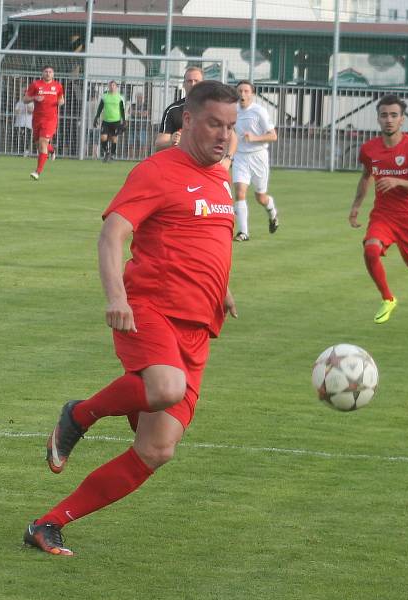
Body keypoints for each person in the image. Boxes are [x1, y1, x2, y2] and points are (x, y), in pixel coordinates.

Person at [23, 80, 239, 556]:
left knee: (157, 449)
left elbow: (209, 244)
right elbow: (112, 234)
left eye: (230, 126)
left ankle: (48, 524)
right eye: (213, 124)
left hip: (198, 326)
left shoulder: (222, 178)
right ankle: (78, 415)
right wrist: (115, 296)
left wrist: (222, 291)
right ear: (187, 120)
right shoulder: (158, 170)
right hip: (151, 308)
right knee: (165, 387)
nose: (223, 135)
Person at [349, 94, 408, 337]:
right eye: (384, 115)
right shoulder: (369, 149)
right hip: (383, 215)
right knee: (370, 249)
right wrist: (356, 206)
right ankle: (388, 298)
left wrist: (397, 181)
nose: (389, 120)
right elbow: (366, 176)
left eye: (394, 115)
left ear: (402, 119)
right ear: (378, 119)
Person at [231, 80, 278, 241]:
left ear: (252, 94)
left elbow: (273, 135)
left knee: (261, 197)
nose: (242, 94)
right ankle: (243, 232)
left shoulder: (259, 112)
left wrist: (255, 138)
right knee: (239, 192)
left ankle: (272, 213)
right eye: (240, 91)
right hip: (241, 157)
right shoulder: (233, 111)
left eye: (246, 91)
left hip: (258, 156)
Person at [23, 65, 64, 180]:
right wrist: (35, 98)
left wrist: (58, 102)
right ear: (42, 73)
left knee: (42, 143)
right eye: (46, 71)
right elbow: (25, 99)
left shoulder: (58, 86)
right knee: (39, 145)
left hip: (50, 119)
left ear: (53, 74)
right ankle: (51, 150)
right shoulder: (35, 84)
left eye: (50, 72)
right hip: (37, 119)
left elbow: (61, 100)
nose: (48, 73)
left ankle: (37, 172)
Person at [154, 66, 203, 152]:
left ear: (203, 84)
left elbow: (230, 135)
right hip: (180, 159)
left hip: (204, 161)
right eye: (189, 81)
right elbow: (159, 144)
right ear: (183, 84)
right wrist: (171, 141)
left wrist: (228, 158)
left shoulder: (213, 108)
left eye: (196, 81)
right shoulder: (173, 110)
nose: (193, 84)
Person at [92, 80, 126, 162]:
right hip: (106, 121)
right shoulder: (104, 96)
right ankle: (106, 152)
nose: (112, 87)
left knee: (114, 139)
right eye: (110, 86)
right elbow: (100, 107)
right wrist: (96, 117)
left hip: (116, 121)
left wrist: (124, 121)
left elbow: (122, 110)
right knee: (103, 138)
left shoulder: (120, 97)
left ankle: (113, 154)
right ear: (108, 87)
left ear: (116, 87)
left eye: (114, 86)